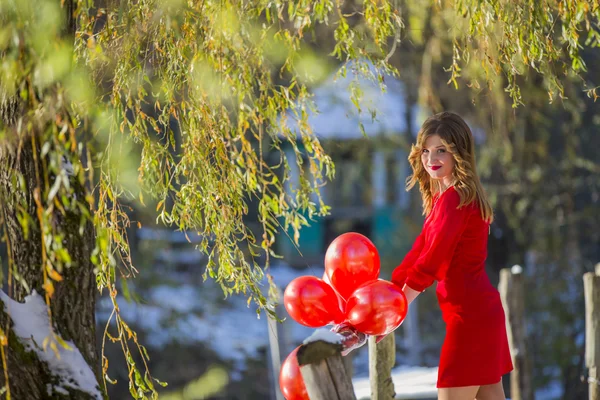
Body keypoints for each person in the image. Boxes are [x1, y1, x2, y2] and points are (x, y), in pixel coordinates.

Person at [390, 111, 513, 400]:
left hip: (469, 318)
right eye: (426, 151)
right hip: (480, 313)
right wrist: (392, 290)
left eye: (442, 150)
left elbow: (431, 261)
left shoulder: (456, 198)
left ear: (459, 152)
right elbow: (420, 250)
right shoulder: (446, 198)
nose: (431, 158)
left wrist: (396, 311)